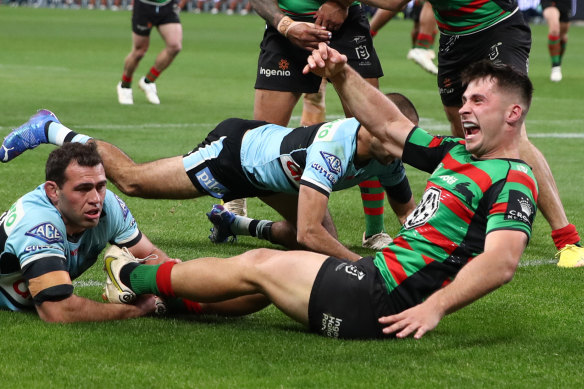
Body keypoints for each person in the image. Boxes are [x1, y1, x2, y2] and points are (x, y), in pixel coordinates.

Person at [103, 48, 538, 340]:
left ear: (513, 113)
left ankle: (129, 277)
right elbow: (388, 125)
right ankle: (170, 305)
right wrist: (342, 73)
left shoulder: (514, 179)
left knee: (259, 265)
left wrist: (436, 307)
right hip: (375, 279)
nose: (464, 107)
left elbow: (502, 262)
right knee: (265, 286)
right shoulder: (455, 152)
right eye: (464, 99)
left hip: (381, 297)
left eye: (478, 101)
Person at [0, 98, 417, 261]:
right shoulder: (333, 145)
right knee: (132, 182)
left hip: (272, 174)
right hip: (234, 155)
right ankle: (50, 129)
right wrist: (368, 266)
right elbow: (311, 232)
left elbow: (412, 218)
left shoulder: (389, 156)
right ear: (370, 124)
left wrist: (432, 253)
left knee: (315, 237)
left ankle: (233, 222)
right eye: (394, 134)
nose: (401, 145)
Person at [364, 0, 584, 267]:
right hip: (453, 40)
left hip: (496, 29)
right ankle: (477, 229)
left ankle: (567, 240)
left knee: (509, 133)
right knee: (467, 140)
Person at [247, 0, 393, 250]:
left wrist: (341, 3)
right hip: (287, 27)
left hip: (345, 26)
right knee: (258, 141)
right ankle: (234, 210)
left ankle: (375, 230)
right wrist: (286, 25)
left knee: (372, 130)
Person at [0, 139, 168, 321]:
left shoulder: (109, 206)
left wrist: (167, 279)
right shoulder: (39, 224)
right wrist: (138, 310)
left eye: (100, 186)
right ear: (53, 191)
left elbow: (149, 254)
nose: (96, 198)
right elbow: (58, 310)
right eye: (83, 189)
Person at [116, 0, 183, 105]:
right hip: (144, 5)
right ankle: (125, 86)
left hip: (167, 5)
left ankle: (148, 81)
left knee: (175, 46)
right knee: (139, 52)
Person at [542, 0, 572, 82]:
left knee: (562, 36)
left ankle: (558, 62)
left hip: (564, 3)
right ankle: (556, 67)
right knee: (554, 30)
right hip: (549, 2)